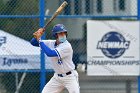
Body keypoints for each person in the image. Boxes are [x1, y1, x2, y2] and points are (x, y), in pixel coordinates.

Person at [30, 24, 80, 93]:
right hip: (57, 78)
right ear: (55, 35)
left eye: (64, 33)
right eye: (60, 33)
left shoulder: (67, 46)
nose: (63, 35)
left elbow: (50, 53)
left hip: (70, 77)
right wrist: (38, 35)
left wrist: (39, 39)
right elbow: (33, 43)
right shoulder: (51, 43)